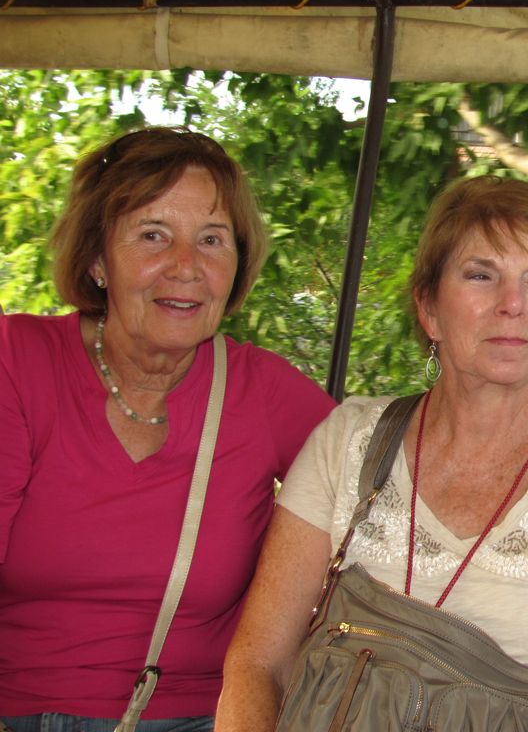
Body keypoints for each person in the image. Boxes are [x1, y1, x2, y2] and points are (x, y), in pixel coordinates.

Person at [215, 175, 528, 731]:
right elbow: (258, 662)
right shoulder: (348, 440)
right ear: (428, 308)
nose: (513, 304)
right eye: (481, 275)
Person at [0, 127, 337, 731]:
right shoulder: (16, 362)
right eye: (153, 235)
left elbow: (389, 501)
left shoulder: (262, 391)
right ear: (98, 259)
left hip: (198, 718)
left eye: (212, 240)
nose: (186, 267)